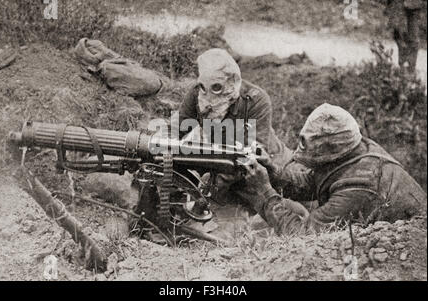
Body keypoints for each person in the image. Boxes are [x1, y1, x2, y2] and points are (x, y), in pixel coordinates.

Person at [244, 103, 427, 235]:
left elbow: (303, 236)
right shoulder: (354, 148)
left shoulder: (360, 185)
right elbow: (312, 182)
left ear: (330, 152)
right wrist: (271, 170)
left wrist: (265, 192)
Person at [178, 48, 305, 207]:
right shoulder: (197, 92)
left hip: (266, 166)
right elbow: (177, 132)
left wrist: (211, 187)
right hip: (223, 161)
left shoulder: (256, 100)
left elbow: (251, 155)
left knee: (272, 213)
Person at [385, 0, 424, 73]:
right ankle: (403, 65)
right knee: (398, 33)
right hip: (397, 4)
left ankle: (410, 67)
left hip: (413, 5)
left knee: (413, 37)